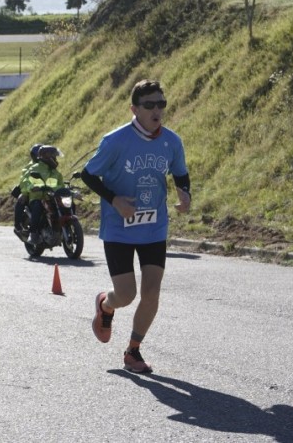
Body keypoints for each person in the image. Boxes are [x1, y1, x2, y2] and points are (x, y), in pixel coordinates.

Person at [83, 79, 191, 375]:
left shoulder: (172, 141)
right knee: (126, 295)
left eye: (161, 104)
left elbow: (180, 173)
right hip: (119, 227)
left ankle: (133, 351)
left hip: (154, 226)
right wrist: (115, 200)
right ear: (134, 109)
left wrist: (185, 193)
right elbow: (88, 175)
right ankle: (106, 305)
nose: (157, 110)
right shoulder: (115, 141)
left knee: (151, 293)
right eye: (149, 105)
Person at [22, 146, 64, 245]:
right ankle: (33, 234)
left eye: (55, 157)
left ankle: (65, 227)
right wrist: (31, 187)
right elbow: (26, 182)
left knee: (68, 204)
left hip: (52, 198)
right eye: (53, 156)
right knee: (38, 207)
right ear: (45, 156)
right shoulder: (34, 169)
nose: (55, 159)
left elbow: (61, 185)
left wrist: (69, 191)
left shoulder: (55, 172)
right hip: (38, 197)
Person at [13, 143, 42, 234]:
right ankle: (19, 226)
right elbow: (24, 181)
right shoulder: (29, 168)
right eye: (39, 155)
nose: (41, 157)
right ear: (34, 156)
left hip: (46, 192)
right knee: (22, 200)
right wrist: (28, 190)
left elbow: (56, 178)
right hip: (34, 193)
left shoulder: (48, 166)